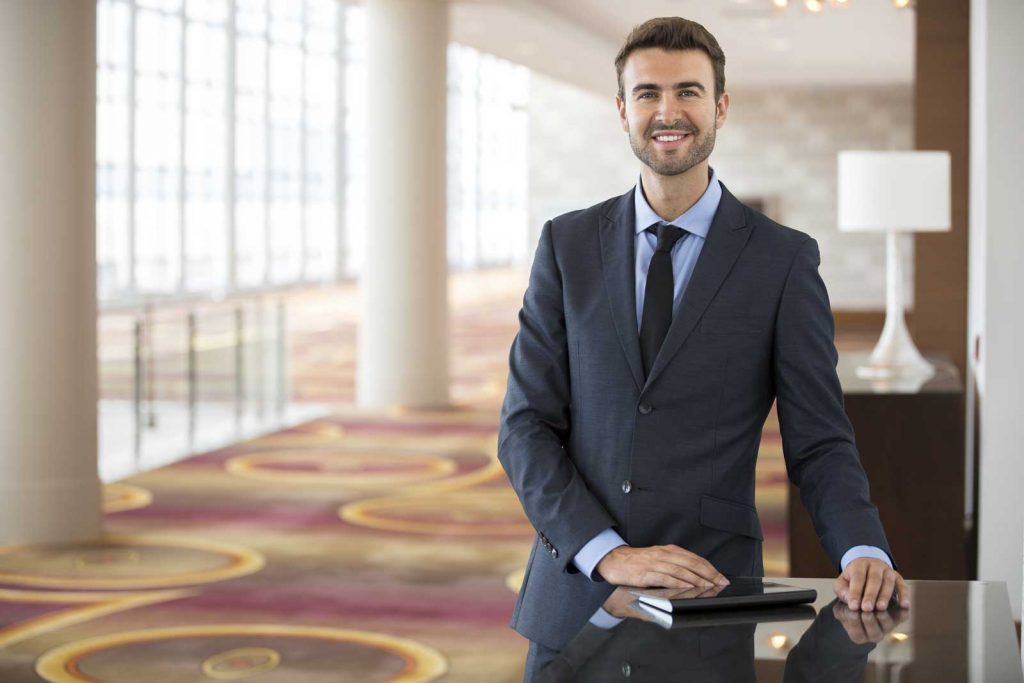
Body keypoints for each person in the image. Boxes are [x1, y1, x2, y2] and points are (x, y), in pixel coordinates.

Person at [497, 16, 910, 681]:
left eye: (688, 92)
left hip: (710, 595)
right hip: (573, 597)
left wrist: (861, 546)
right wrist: (608, 553)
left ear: (719, 106)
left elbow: (820, 440)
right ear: (622, 110)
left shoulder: (781, 260)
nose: (668, 111)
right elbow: (524, 428)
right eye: (648, 93)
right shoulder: (566, 246)